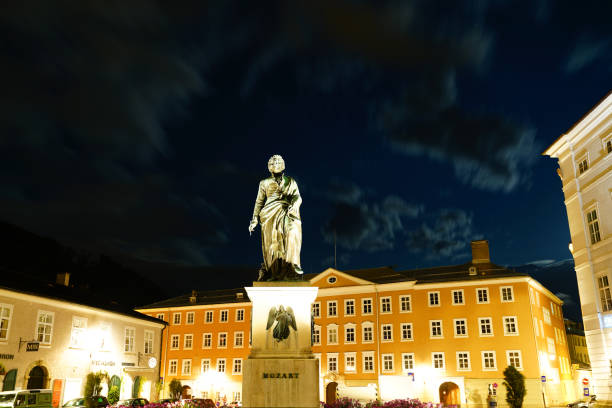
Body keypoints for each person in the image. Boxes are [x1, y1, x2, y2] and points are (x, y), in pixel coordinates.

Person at [249, 155, 302, 279]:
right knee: (272, 243)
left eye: (278, 162)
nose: (275, 164)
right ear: (269, 166)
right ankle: (273, 269)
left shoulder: (291, 181)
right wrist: (254, 219)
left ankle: (292, 265)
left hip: (287, 211)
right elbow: (259, 201)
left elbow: (297, 196)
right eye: (272, 162)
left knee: (292, 231)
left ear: (282, 165)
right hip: (269, 214)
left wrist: (294, 204)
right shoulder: (264, 183)